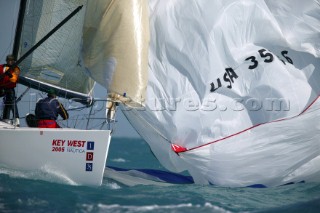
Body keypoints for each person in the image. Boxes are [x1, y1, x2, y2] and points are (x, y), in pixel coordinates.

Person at [0, 54, 20, 126]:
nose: (10, 62)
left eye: (12, 60)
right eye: (9, 60)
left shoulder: (16, 69)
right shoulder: (1, 67)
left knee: (12, 101)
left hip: (9, 88)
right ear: (7, 61)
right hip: (1, 87)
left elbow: (14, 79)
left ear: (14, 61)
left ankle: (16, 118)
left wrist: (9, 74)